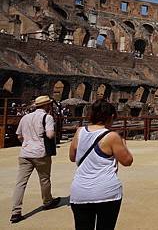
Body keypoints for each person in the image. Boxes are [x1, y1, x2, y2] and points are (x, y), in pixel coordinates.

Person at [69, 99, 133, 230]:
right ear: (111, 117)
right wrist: (123, 143)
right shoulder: (112, 136)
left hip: (80, 191)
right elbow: (127, 161)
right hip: (106, 192)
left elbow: (72, 157)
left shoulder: (79, 131)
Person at [10, 95, 61, 223]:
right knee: (44, 179)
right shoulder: (47, 117)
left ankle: (16, 211)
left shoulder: (25, 117)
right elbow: (49, 135)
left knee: (20, 182)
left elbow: (19, 135)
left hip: (25, 153)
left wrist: (27, 142)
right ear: (47, 106)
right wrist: (52, 132)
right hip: (40, 153)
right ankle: (47, 201)